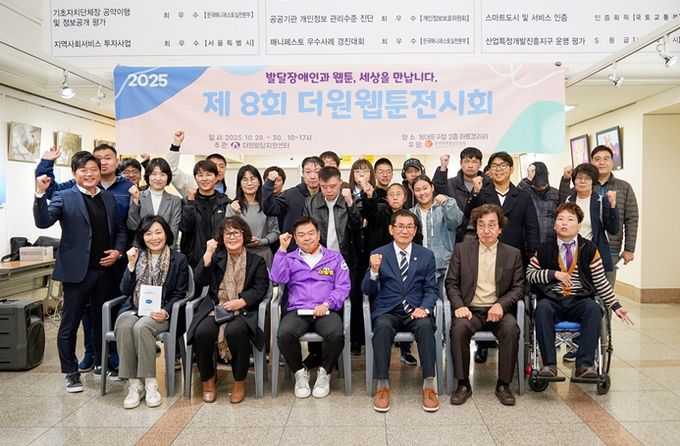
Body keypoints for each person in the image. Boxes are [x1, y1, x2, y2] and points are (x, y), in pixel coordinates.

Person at [33, 151, 127, 393]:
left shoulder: (108, 198)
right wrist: (40, 194)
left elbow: (119, 229)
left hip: (104, 270)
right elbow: (43, 222)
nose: (89, 174)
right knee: (70, 324)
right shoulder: (64, 197)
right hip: (77, 272)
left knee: (102, 321)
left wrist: (118, 252)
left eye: (93, 169)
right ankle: (71, 373)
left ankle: (101, 363)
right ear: (75, 173)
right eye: (83, 170)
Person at [527, 203, 634, 379]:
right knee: (542, 308)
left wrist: (616, 306)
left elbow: (600, 281)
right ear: (554, 225)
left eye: (570, 219)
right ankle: (549, 365)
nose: (564, 223)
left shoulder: (589, 249)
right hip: (552, 299)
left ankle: (585, 365)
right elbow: (530, 274)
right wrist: (553, 274)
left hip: (579, 299)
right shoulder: (544, 248)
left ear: (579, 226)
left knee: (594, 309)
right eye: (560, 219)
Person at [362, 209, 440, 413]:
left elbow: (431, 289)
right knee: (382, 327)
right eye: (400, 226)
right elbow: (367, 290)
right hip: (388, 310)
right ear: (391, 229)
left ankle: (429, 385)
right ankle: (382, 385)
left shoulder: (426, 255)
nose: (405, 231)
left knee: (425, 327)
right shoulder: (379, 254)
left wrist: (424, 308)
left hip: (416, 310)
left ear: (415, 230)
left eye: (409, 227)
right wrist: (374, 271)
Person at [446, 204, 524, 406]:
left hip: (497, 311)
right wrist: (459, 306)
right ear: (476, 227)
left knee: (511, 329)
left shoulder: (513, 253)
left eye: (491, 225)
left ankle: (503, 384)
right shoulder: (462, 250)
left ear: (500, 228)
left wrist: (501, 305)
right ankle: (463, 384)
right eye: (481, 225)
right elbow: (451, 282)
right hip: (470, 310)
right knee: (458, 329)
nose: (486, 230)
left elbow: (518, 287)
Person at [186, 216, 269, 403]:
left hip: (243, 310)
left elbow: (260, 288)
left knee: (235, 331)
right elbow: (200, 280)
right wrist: (208, 254)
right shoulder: (217, 258)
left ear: (244, 235)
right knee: (202, 332)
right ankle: (208, 381)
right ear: (221, 238)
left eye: (236, 233)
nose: (232, 237)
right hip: (216, 307)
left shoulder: (257, 261)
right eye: (227, 234)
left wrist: (242, 301)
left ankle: (239, 381)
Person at [270, 217, 350, 399]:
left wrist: (328, 303)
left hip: (326, 310)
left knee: (336, 334)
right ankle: (300, 373)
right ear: (296, 239)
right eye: (301, 235)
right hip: (298, 310)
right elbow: (277, 278)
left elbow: (343, 287)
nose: (307, 238)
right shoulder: (289, 258)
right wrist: (282, 249)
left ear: (318, 235)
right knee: (284, 334)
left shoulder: (334, 257)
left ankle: (324, 373)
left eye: (310, 233)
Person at [115, 215, 189, 409]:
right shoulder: (137, 256)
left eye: (158, 232)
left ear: (166, 234)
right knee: (123, 325)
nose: (154, 237)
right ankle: (134, 385)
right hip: (136, 308)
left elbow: (180, 293)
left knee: (142, 327)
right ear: (142, 236)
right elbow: (124, 290)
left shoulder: (178, 259)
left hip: (162, 313)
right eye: (148, 233)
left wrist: (166, 311)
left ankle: (150, 383)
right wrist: (131, 266)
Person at [302, 166, 361, 368]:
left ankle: (337, 350)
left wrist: (350, 203)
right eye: (324, 186)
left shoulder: (349, 200)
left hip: (345, 261)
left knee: (342, 304)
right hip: (318, 262)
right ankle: (315, 352)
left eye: (333, 186)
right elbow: (305, 230)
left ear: (340, 183)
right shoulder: (310, 202)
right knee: (317, 302)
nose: (328, 190)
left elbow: (357, 225)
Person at [560, 145, 639, 285]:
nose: (602, 162)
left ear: (612, 162)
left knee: (605, 289)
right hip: (579, 248)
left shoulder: (624, 187)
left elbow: (631, 218)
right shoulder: (584, 186)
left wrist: (629, 249)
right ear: (592, 162)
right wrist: (566, 180)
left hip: (611, 248)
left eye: (606, 159)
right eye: (597, 159)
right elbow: (563, 204)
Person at [262, 156, 323, 252]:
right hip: (294, 251)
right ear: (303, 173)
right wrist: (269, 183)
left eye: (317, 172)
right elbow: (269, 209)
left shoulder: (326, 195)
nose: (312, 176)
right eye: (308, 172)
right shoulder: (291, 194)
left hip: (320, 250)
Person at [410, 175, 464, 285]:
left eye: (425, 188)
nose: (422, 193)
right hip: (419, 266)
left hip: (444, 265)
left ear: (432, 187)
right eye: (417, 190)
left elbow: (456, 222)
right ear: (413, 192)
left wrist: (446, 204)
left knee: (444, 296)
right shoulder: (411, 213)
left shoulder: (445, 205)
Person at [179, 160, 231, 268]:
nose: (204, 179)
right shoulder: (186, 202)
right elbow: (185, 228)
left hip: (220, 259)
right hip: (193, 260)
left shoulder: (225, 202)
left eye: (208, 174)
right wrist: (190, 203)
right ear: (195, 178)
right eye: (200, 175)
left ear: (216, 178)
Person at [225, 165, 280, 268]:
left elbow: (275, 232)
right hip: (239, 255)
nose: (249, 183)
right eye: (245, 180)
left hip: (264, 254)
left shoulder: (268, 205)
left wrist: (262, 241)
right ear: (240, 184)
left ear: (259, 182)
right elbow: (227, 233)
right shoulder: (232, 207)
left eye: (253, 179)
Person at [432, 147, 491, 242]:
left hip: (484, 233)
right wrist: (443, 168)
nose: (470, 166)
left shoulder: (488, 184)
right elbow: (438, 192)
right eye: (466, 162)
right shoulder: (451, 184)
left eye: (475, 162)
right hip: (457, 235)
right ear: (460, 163)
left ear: (480, 164)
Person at [127, 158, 182, 248]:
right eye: (154, 174)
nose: (158, 178)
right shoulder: (138, 196)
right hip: (141, 249)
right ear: (148, 176)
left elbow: (174, 228)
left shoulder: (175, 200)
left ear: (168, 177)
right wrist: (135, 202)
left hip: (166, 249)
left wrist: (167, 251)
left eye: (162, 174)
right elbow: (132, 226)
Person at [163, 130, 228, 196]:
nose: (218, 169)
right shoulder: (191, 183)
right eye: (214, 165)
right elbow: (170, 170)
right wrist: (175, 145)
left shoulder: (231, 191)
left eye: (221, 166)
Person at [518, 161, 560, 244]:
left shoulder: (556, 193)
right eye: (537, 184)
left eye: (543, 184)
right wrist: (527, 180)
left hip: (552, 242)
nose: (541, 187)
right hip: (530, 242)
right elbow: (515, 196)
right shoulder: (525, 193)